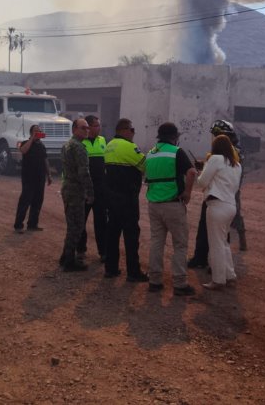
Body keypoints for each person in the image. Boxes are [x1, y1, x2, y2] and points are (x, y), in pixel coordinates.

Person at [144, 122, 197, 296]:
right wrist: (187, 192)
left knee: (156, 242)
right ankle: (180, 283)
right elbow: (191, 173)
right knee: (180, 244)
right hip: (173, 204)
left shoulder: (150, 154)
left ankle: (155, 280)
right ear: (175, 137)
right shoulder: (176, 152)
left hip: (154, 204)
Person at [188, 119, 246, 269]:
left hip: (219, 195)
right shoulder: (232, 151)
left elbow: (211, 176)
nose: (215, 138)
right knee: (218, 231)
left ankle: (215, 266)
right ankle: (211, 262)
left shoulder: (228, 153)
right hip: (227, 196)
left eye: (217, 135)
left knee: (218, 234)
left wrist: (204, 168)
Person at [194, 134, 242, 290]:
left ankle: (218, 279)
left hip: (216, 205)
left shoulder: (215, 159)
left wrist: (198, 173)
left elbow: (202, 182)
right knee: (223, 242)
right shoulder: (236, 165)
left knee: (216, 244)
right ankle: (230, 275)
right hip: (230, 205)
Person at [103, 118, 148, 282]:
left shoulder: (109, 145)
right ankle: (133, 272)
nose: (133, 133)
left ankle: (111, 268)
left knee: (113, 234)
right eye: (132, 129)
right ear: (123, 130)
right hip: (127, 198)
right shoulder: (129, 147)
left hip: (112, 197)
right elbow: (145, 165)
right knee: (131, 235)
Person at [59, 118, 94, 272]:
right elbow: (83, 172)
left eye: (88, 128)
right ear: (74, 129)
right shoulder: (79, 147)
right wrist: (90, 191)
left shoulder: (67, 145)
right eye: (83, 128)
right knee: (76, 226)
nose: (87, 130)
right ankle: (69, 262)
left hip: (68, 187)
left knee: (72, 224)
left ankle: (65, 256)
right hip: (75, 189)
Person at [80, 114, 108, 263]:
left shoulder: (103, 141)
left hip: (100, 189)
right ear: (88, 127)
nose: (99, 128)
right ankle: (81, 250)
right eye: (96, 125)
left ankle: (103, 252)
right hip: (84, 189)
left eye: (99, 125)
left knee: (101, 221)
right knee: (81, 220)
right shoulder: (79, 143)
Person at [13, 124, 51, 233]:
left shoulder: (41, 145)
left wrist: (49, 175)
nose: (38, 132)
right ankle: (18, 225)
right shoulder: (25, 143)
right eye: (35, 131)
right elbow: (23, 151)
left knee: (38, 201)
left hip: (40, 177)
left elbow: (45, 160)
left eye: (39, 131)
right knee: (25, 201)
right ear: (31, 133)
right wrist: (32, 139)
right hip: (28, 178)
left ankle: (32, 224)